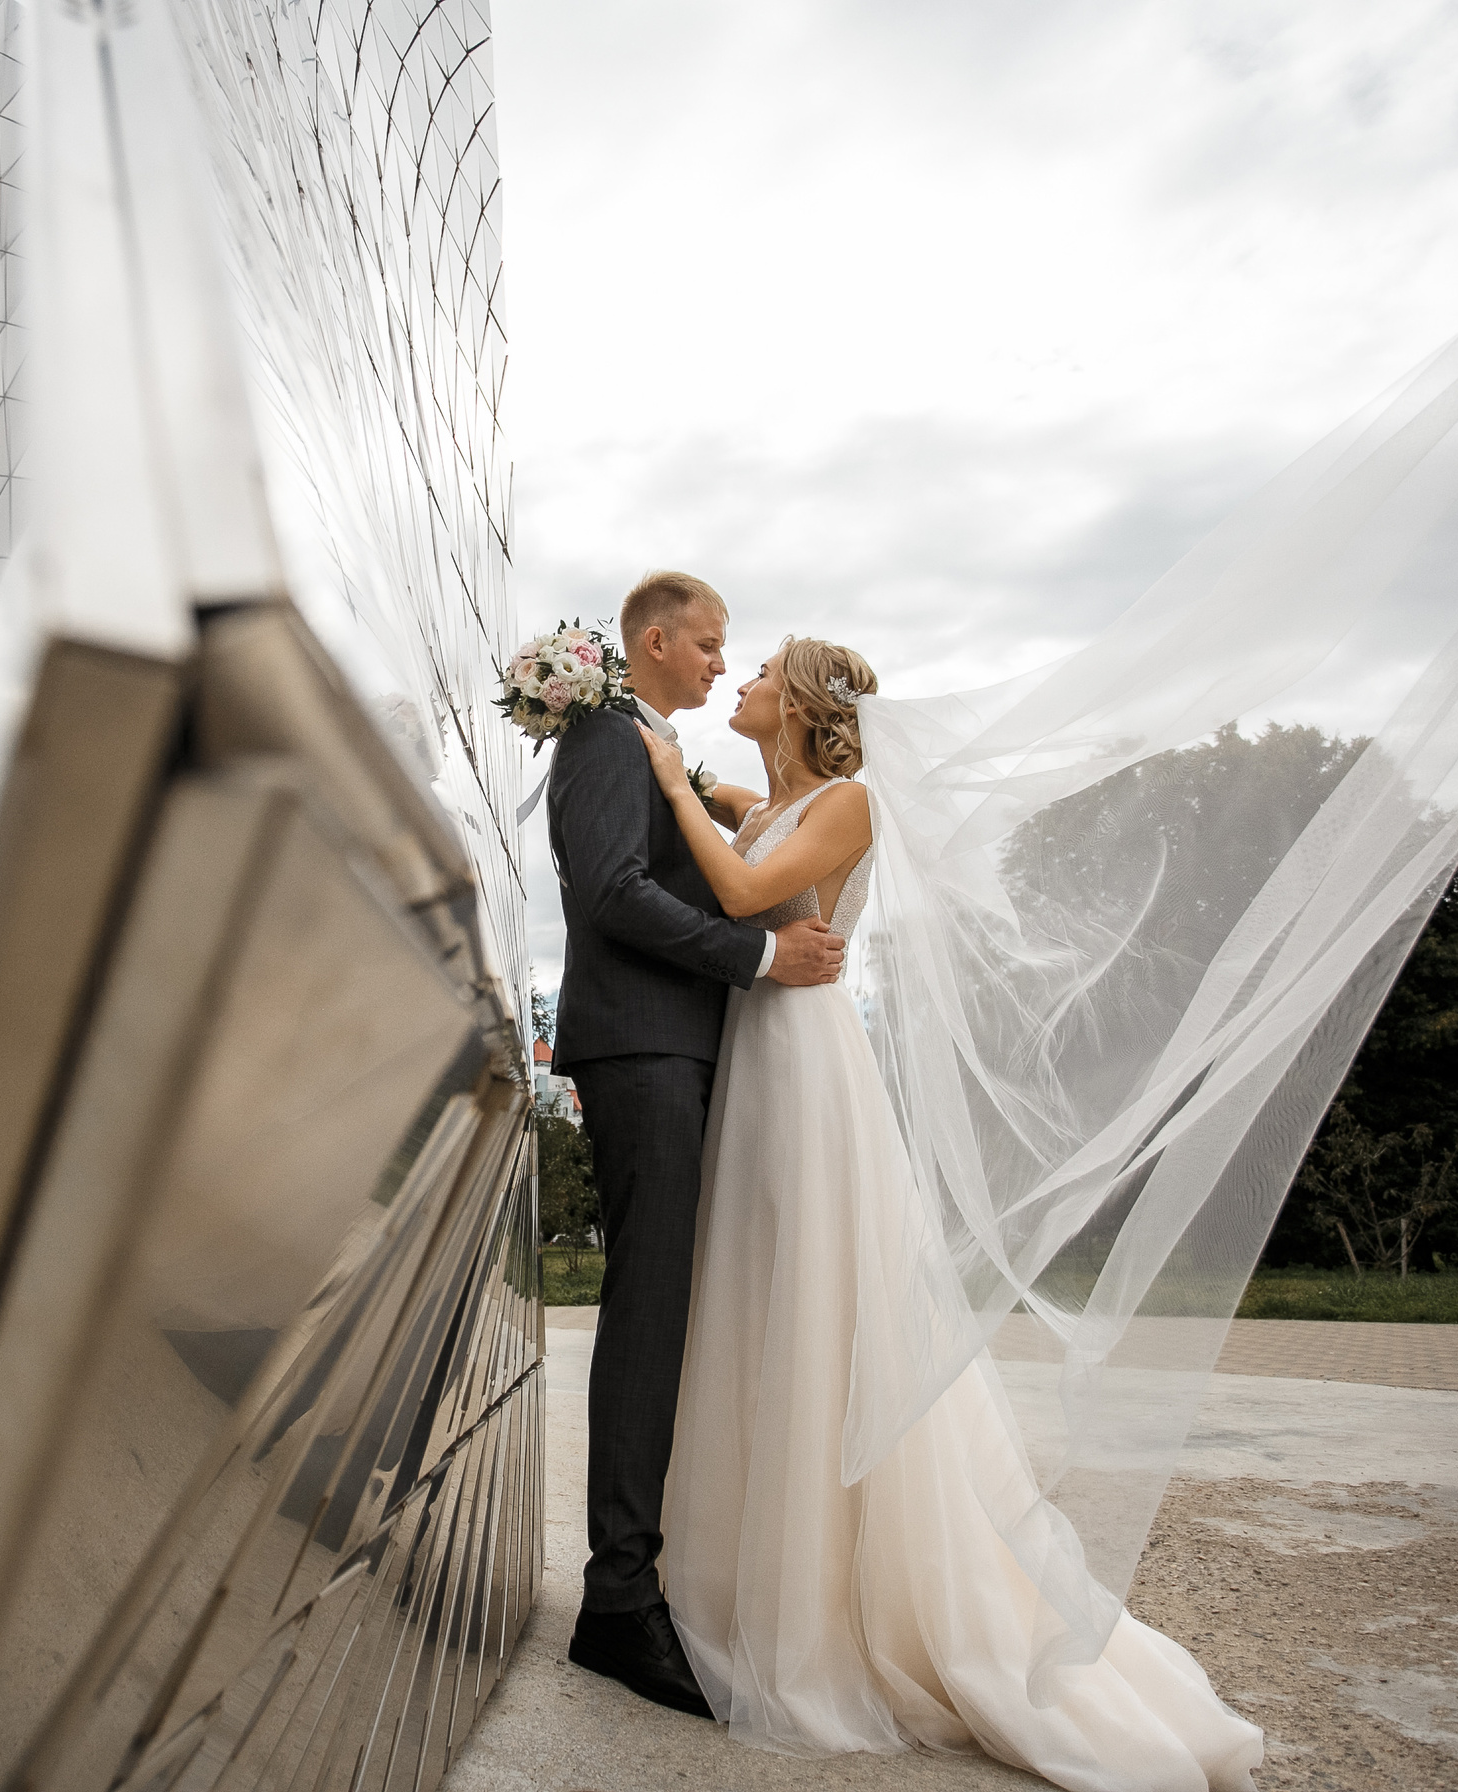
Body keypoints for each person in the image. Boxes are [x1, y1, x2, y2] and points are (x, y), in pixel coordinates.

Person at [628, 634, 1264, 1791]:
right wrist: (692, 777)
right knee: (764, 1297)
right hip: (763, 1055)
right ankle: (740, 1569)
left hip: (807, 1065)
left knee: (821, 1295)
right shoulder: (779, 797)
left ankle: (859, 1604)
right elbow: (743, 818)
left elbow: (740, 890)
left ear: (804, 703)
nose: (746, 681)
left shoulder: (848, 801)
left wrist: (669, 780)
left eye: (763, 669)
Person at [547, 572, 847, 1718]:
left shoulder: (661, 747)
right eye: (711, 646)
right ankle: (617, 1598)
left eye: (738, 653)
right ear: (654, 641)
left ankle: (649, 1575)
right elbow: (613, 893)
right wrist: (762, 964)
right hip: (645, 1052)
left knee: (681, 1308)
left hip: (691, 1054)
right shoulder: (606, 732)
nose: (724, 664)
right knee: (650, 1304)